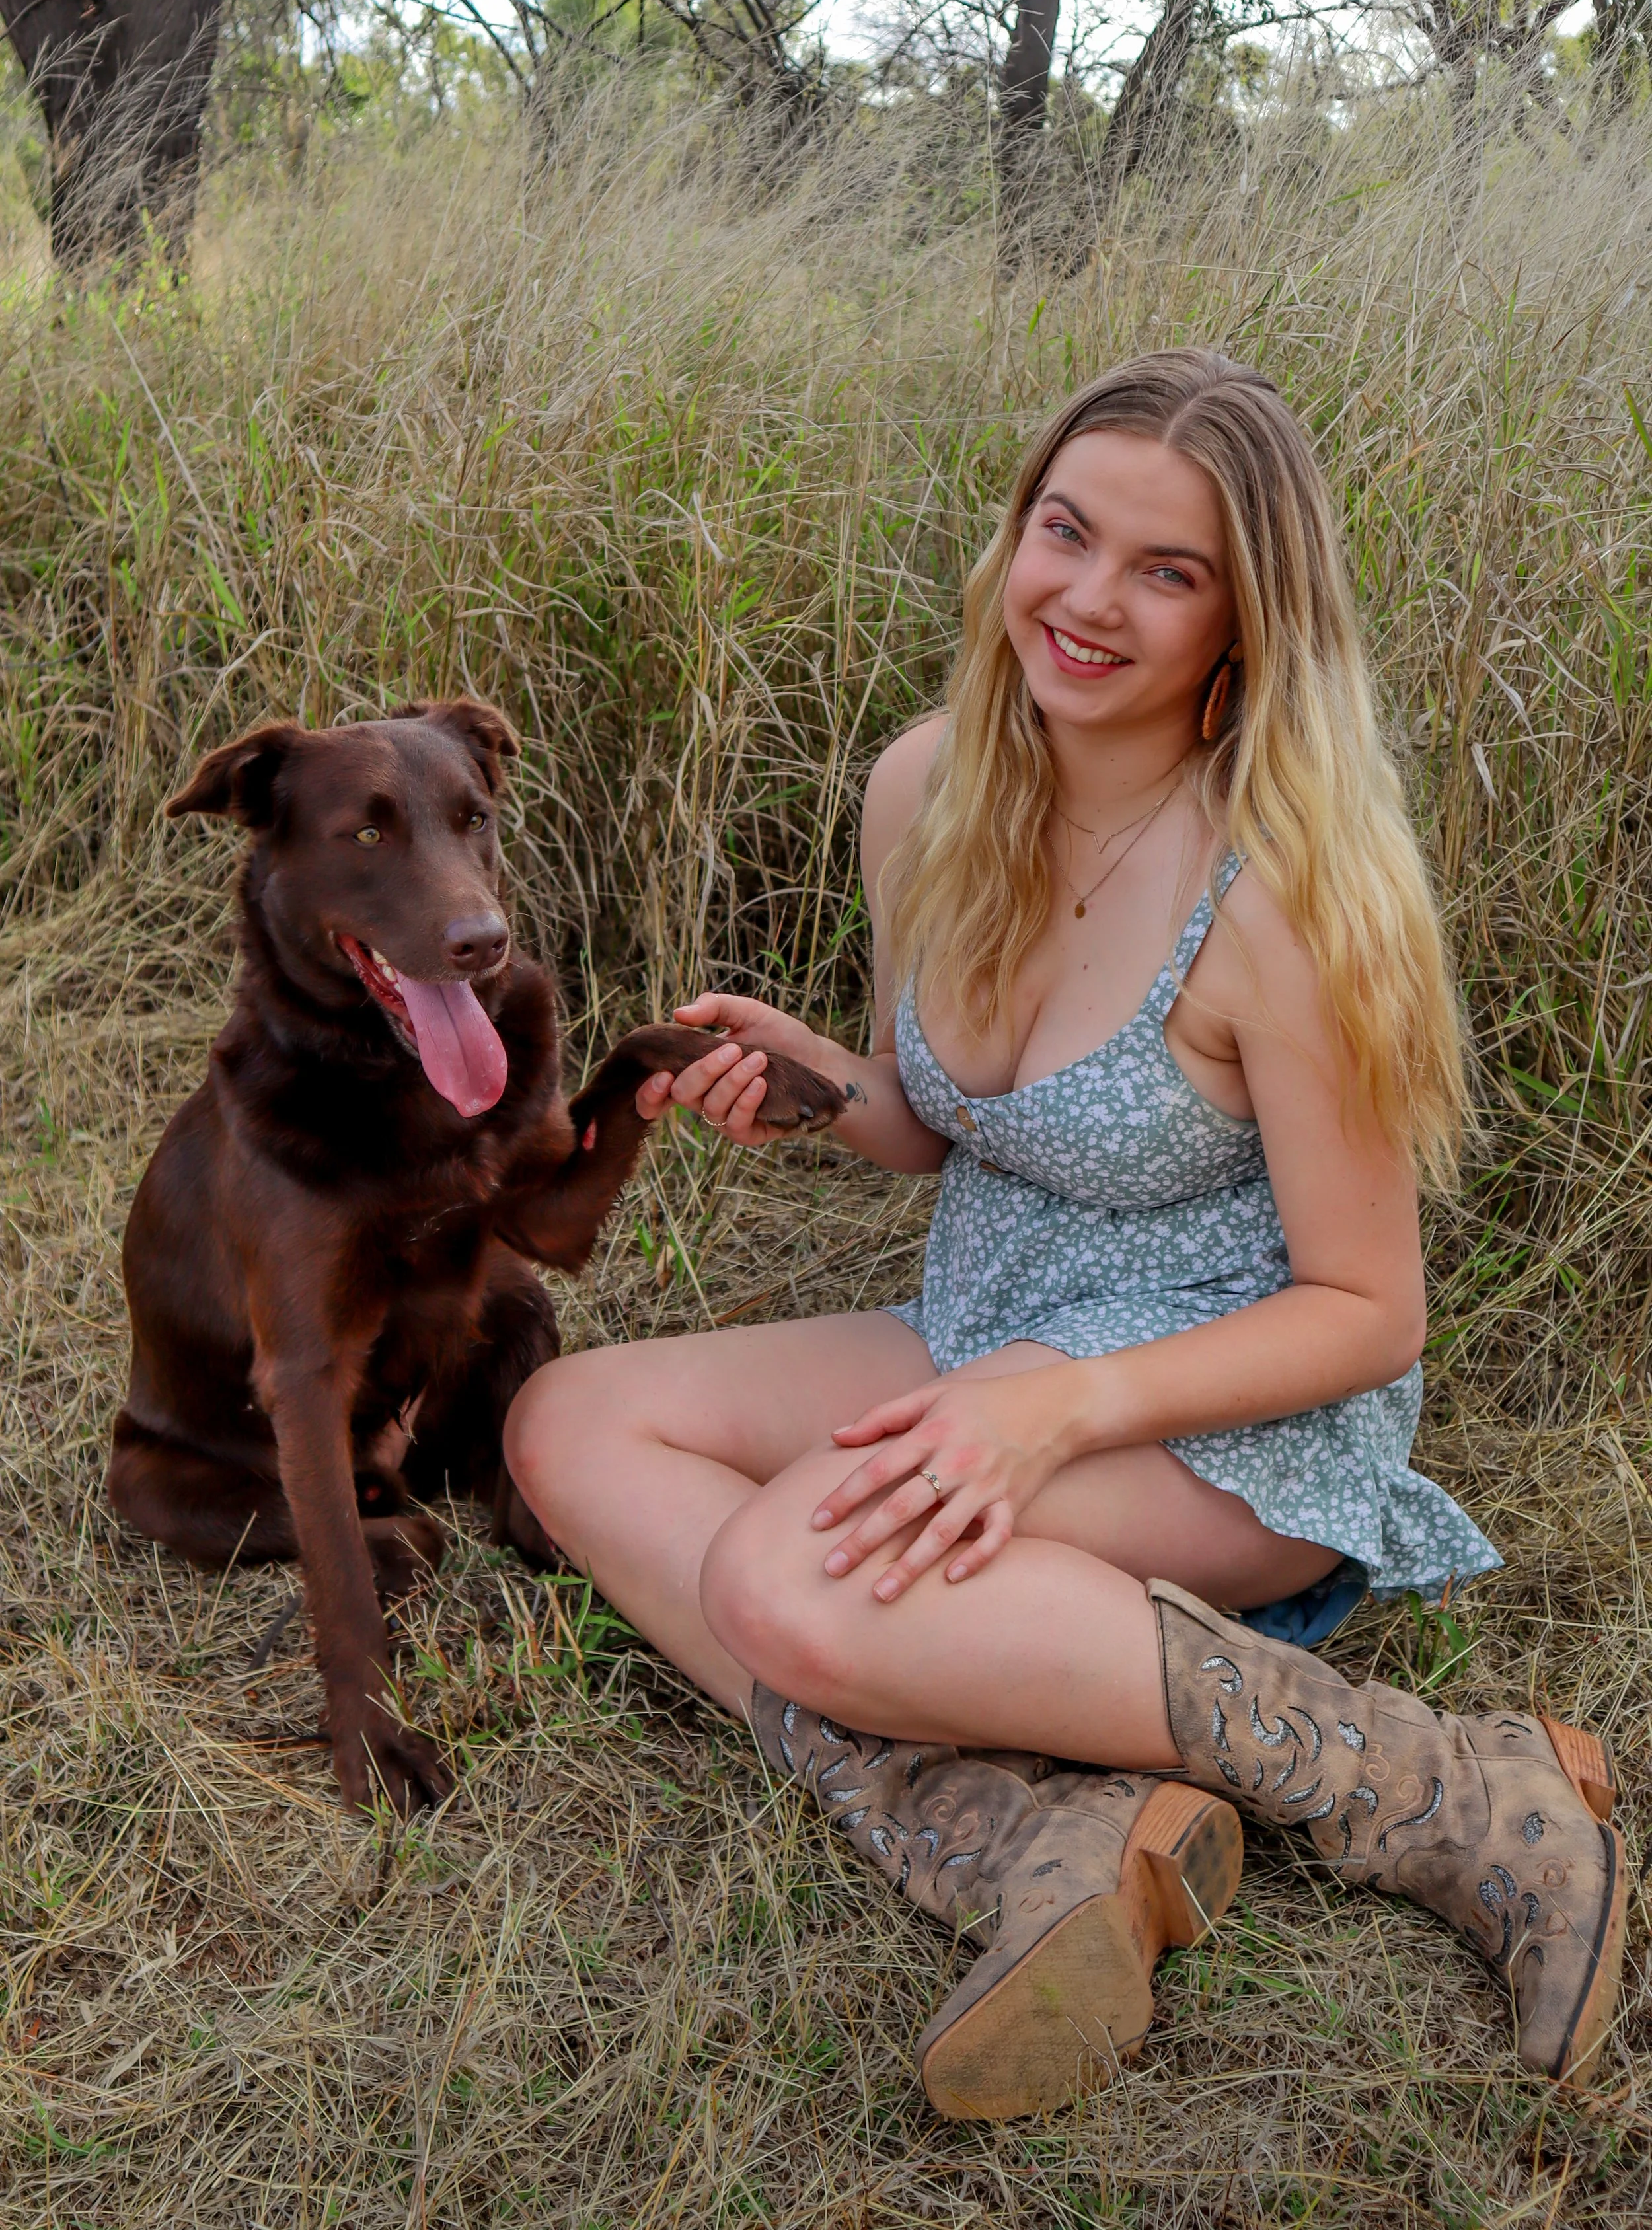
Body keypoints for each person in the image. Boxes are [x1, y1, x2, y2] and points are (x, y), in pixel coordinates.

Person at [504, 350, 1624, 2120]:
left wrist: (1062, 1411)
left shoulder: (1285, 899)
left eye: (1165, 571)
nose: (1088, 600)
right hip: (991, 1329)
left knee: (785, 1573)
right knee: (570, 1420)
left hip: (1223, 1418)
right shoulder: (926, 789)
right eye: (1064, 531)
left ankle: (1449, 1787)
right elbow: (939, 1122)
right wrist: (826, 1087)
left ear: (1243, 624)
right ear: (1012, 535)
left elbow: (1366, 1308)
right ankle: (1026, 1822)